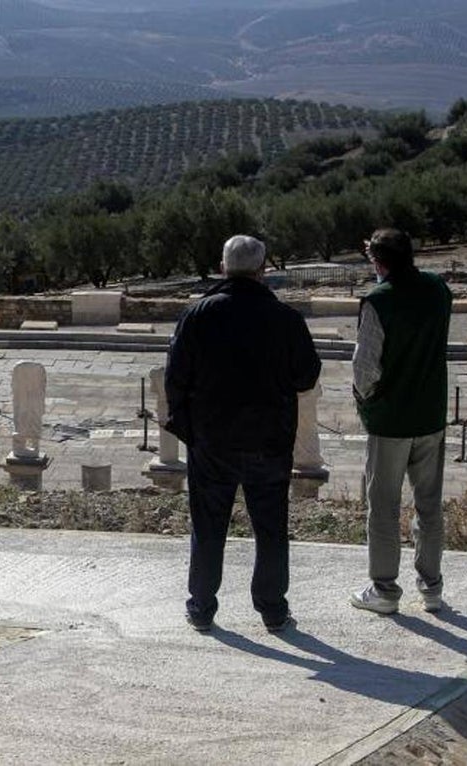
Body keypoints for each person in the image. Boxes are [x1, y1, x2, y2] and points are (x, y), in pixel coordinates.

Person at [165, 235, 321, 633]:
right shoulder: (286, 319)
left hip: (212, 441)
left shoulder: (197, 315)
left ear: (222, 267)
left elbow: (175, 380)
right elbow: (307, 376)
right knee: (270, 528)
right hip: (269, 441)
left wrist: (190, 433)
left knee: (208, 525)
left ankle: (201, 608)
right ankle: (272, 609)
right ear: (263, 270)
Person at [350, 228, 452, 615]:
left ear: (378, 261)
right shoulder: (438, 290)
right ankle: (432, 586)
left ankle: (385, 589)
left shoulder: (379, 301)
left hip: (391, 420)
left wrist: (364, 402)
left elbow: (365, 367)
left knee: (384, 505)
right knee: (429, 504)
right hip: (430, 414)